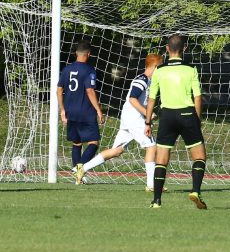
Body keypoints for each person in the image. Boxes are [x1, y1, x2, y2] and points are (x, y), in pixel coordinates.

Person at [76, 54, 164, 190]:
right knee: (151, 147)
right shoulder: (142, 80)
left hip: (129, 117)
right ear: (155, 67)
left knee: (117, 150)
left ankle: (83, 168)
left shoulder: (149, 80)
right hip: (134, 118)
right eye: (161, 68)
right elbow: (132, 99)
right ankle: (152, 185)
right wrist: (147, 114)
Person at [144, 34, 207, 209]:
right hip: (187, 115)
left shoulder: (160, 70)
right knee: (199, 157)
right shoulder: (191, 69)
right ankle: (195, 191)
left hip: (167, 116)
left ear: (166, 49)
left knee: (161, 160)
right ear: (184, 48)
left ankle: (156, 201)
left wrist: (147, 122)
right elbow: (198, 97)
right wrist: (197, 119)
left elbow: (151, 99)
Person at [56, 39, 105, 183]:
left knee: (77, 143)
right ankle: (80, 169)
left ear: (76, 53)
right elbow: (90, 91)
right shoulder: (89, 70)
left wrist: (62, 110)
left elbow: (59, 91)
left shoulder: (67, 69)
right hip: (85, 111)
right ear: (88, 54)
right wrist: (98, 110)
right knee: (94, 142)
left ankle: (78, 177)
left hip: (71, 111)